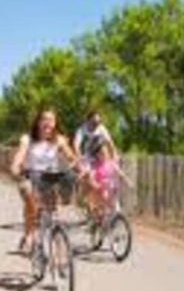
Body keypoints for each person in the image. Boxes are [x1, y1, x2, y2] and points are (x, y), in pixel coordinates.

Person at [10, 109, 81, 255]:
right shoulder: (28, 139)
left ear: (55, 124)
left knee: (52, 214)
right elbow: (20, 155)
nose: (48, 123)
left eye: (51, 120)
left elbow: (72, 157)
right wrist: (15, 167)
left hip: (50, 178)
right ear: (38, 122)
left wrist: (79, 167)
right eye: (44, 119)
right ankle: (29, 234)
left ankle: (59, 256)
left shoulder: (59, 140)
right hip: (31, 176)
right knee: (30, 199)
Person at [85, 135, 131, 221]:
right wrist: (95, 184)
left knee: (115, 206)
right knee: (103, 202)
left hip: (113, 189)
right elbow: (91, 177)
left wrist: (127, 180)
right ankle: (101, 218)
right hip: (102, 190)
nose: (104, 154)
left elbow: (119, 172)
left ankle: (114, 218)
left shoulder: (111, 163)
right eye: (101, 153)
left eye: (105, 152)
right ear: (97, 156)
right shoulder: (96, 166)